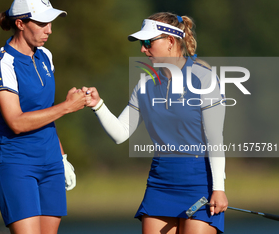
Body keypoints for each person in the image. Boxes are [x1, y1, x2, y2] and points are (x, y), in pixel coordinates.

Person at [84, 12, 228, 234]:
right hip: (161, 182)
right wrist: (98, 105)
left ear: (170, 41)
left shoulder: (204, 78)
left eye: (148, 42)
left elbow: (215, 138)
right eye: (142, 43)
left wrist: (219, 189)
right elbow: (121, 133)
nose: (143, 49)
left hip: (200, 182)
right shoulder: (145, 84)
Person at [0, 0, 89, 234]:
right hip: (17, 163)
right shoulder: (2, 63)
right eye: (41, 23)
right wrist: (67, 107)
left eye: (50, 22)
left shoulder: (45, 57)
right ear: (20, 24)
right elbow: (16, 122)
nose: (49, 29)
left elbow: (45, 114)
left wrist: (62, 158)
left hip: (50, 160)